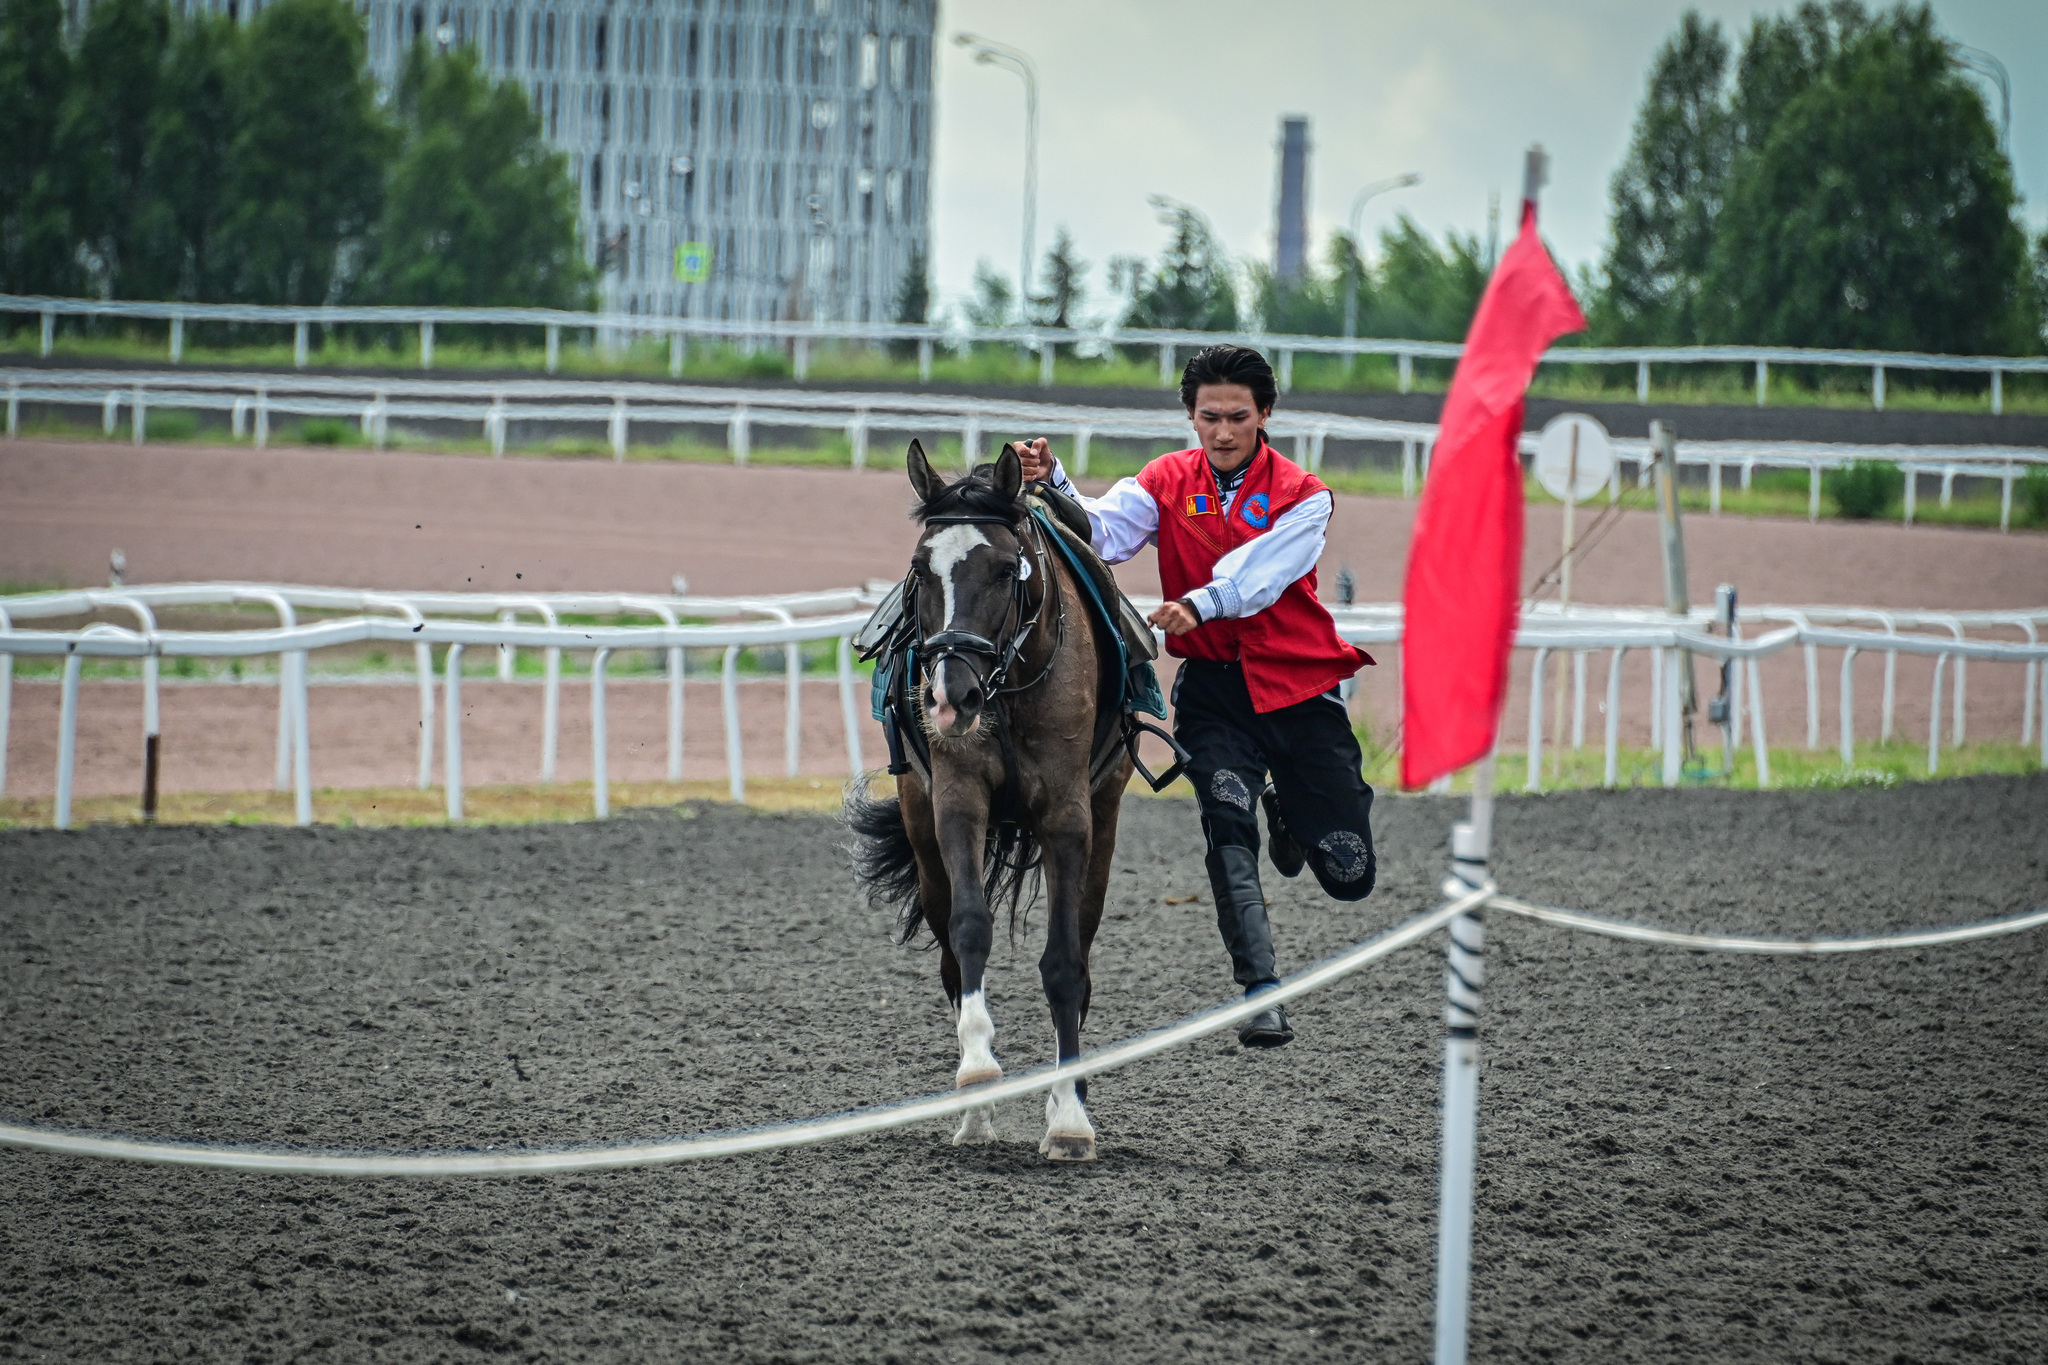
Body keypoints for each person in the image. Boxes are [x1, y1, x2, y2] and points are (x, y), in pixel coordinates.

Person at [1017, 343, 1377, 1048]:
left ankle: (1292, 815)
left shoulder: (1306, 496)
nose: (1221, 431)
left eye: (1236, 417)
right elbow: (1104, 532)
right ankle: (1261, 992)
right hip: (1215, 692)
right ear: (1190, 415)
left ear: (1264, 414)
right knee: (1224, 821)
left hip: (1301, 685)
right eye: (1207, 417)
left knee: (1350, 872)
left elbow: (1261, 575)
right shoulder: (1165, 480)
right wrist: (1053, 478)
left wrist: (1200, 603)